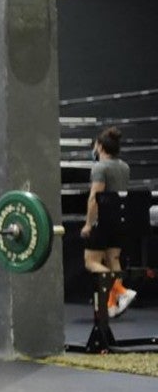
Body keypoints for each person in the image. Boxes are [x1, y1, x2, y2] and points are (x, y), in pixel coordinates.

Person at [80, 126, 136, 317]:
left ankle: (121, 291)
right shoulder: (124, 167)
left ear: (101, 146)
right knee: (113, 259)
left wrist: (88, 224)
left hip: (103, 222)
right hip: (120, 220)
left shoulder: (100, 168)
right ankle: (112, 304)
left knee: (90, 261)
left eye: (96, 144)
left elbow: (95, 198)